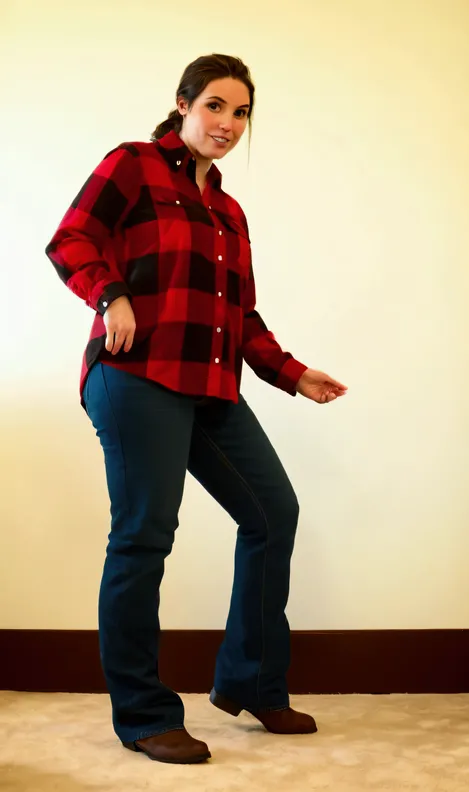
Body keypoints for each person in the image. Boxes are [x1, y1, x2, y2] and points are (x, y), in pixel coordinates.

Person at [45, 53, 347, 765]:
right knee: (145, 534)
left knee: (274, 514)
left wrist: (293, 373)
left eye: (241, 113)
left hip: (209, 386)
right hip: (136, 374)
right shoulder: (134, 164)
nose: (228, 124)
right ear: (183, 104)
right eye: (215, 106)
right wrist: (110, 293)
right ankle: (145, 715)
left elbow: (239, 316)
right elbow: (72, 238)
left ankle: (253, 681)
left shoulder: (229, 213)